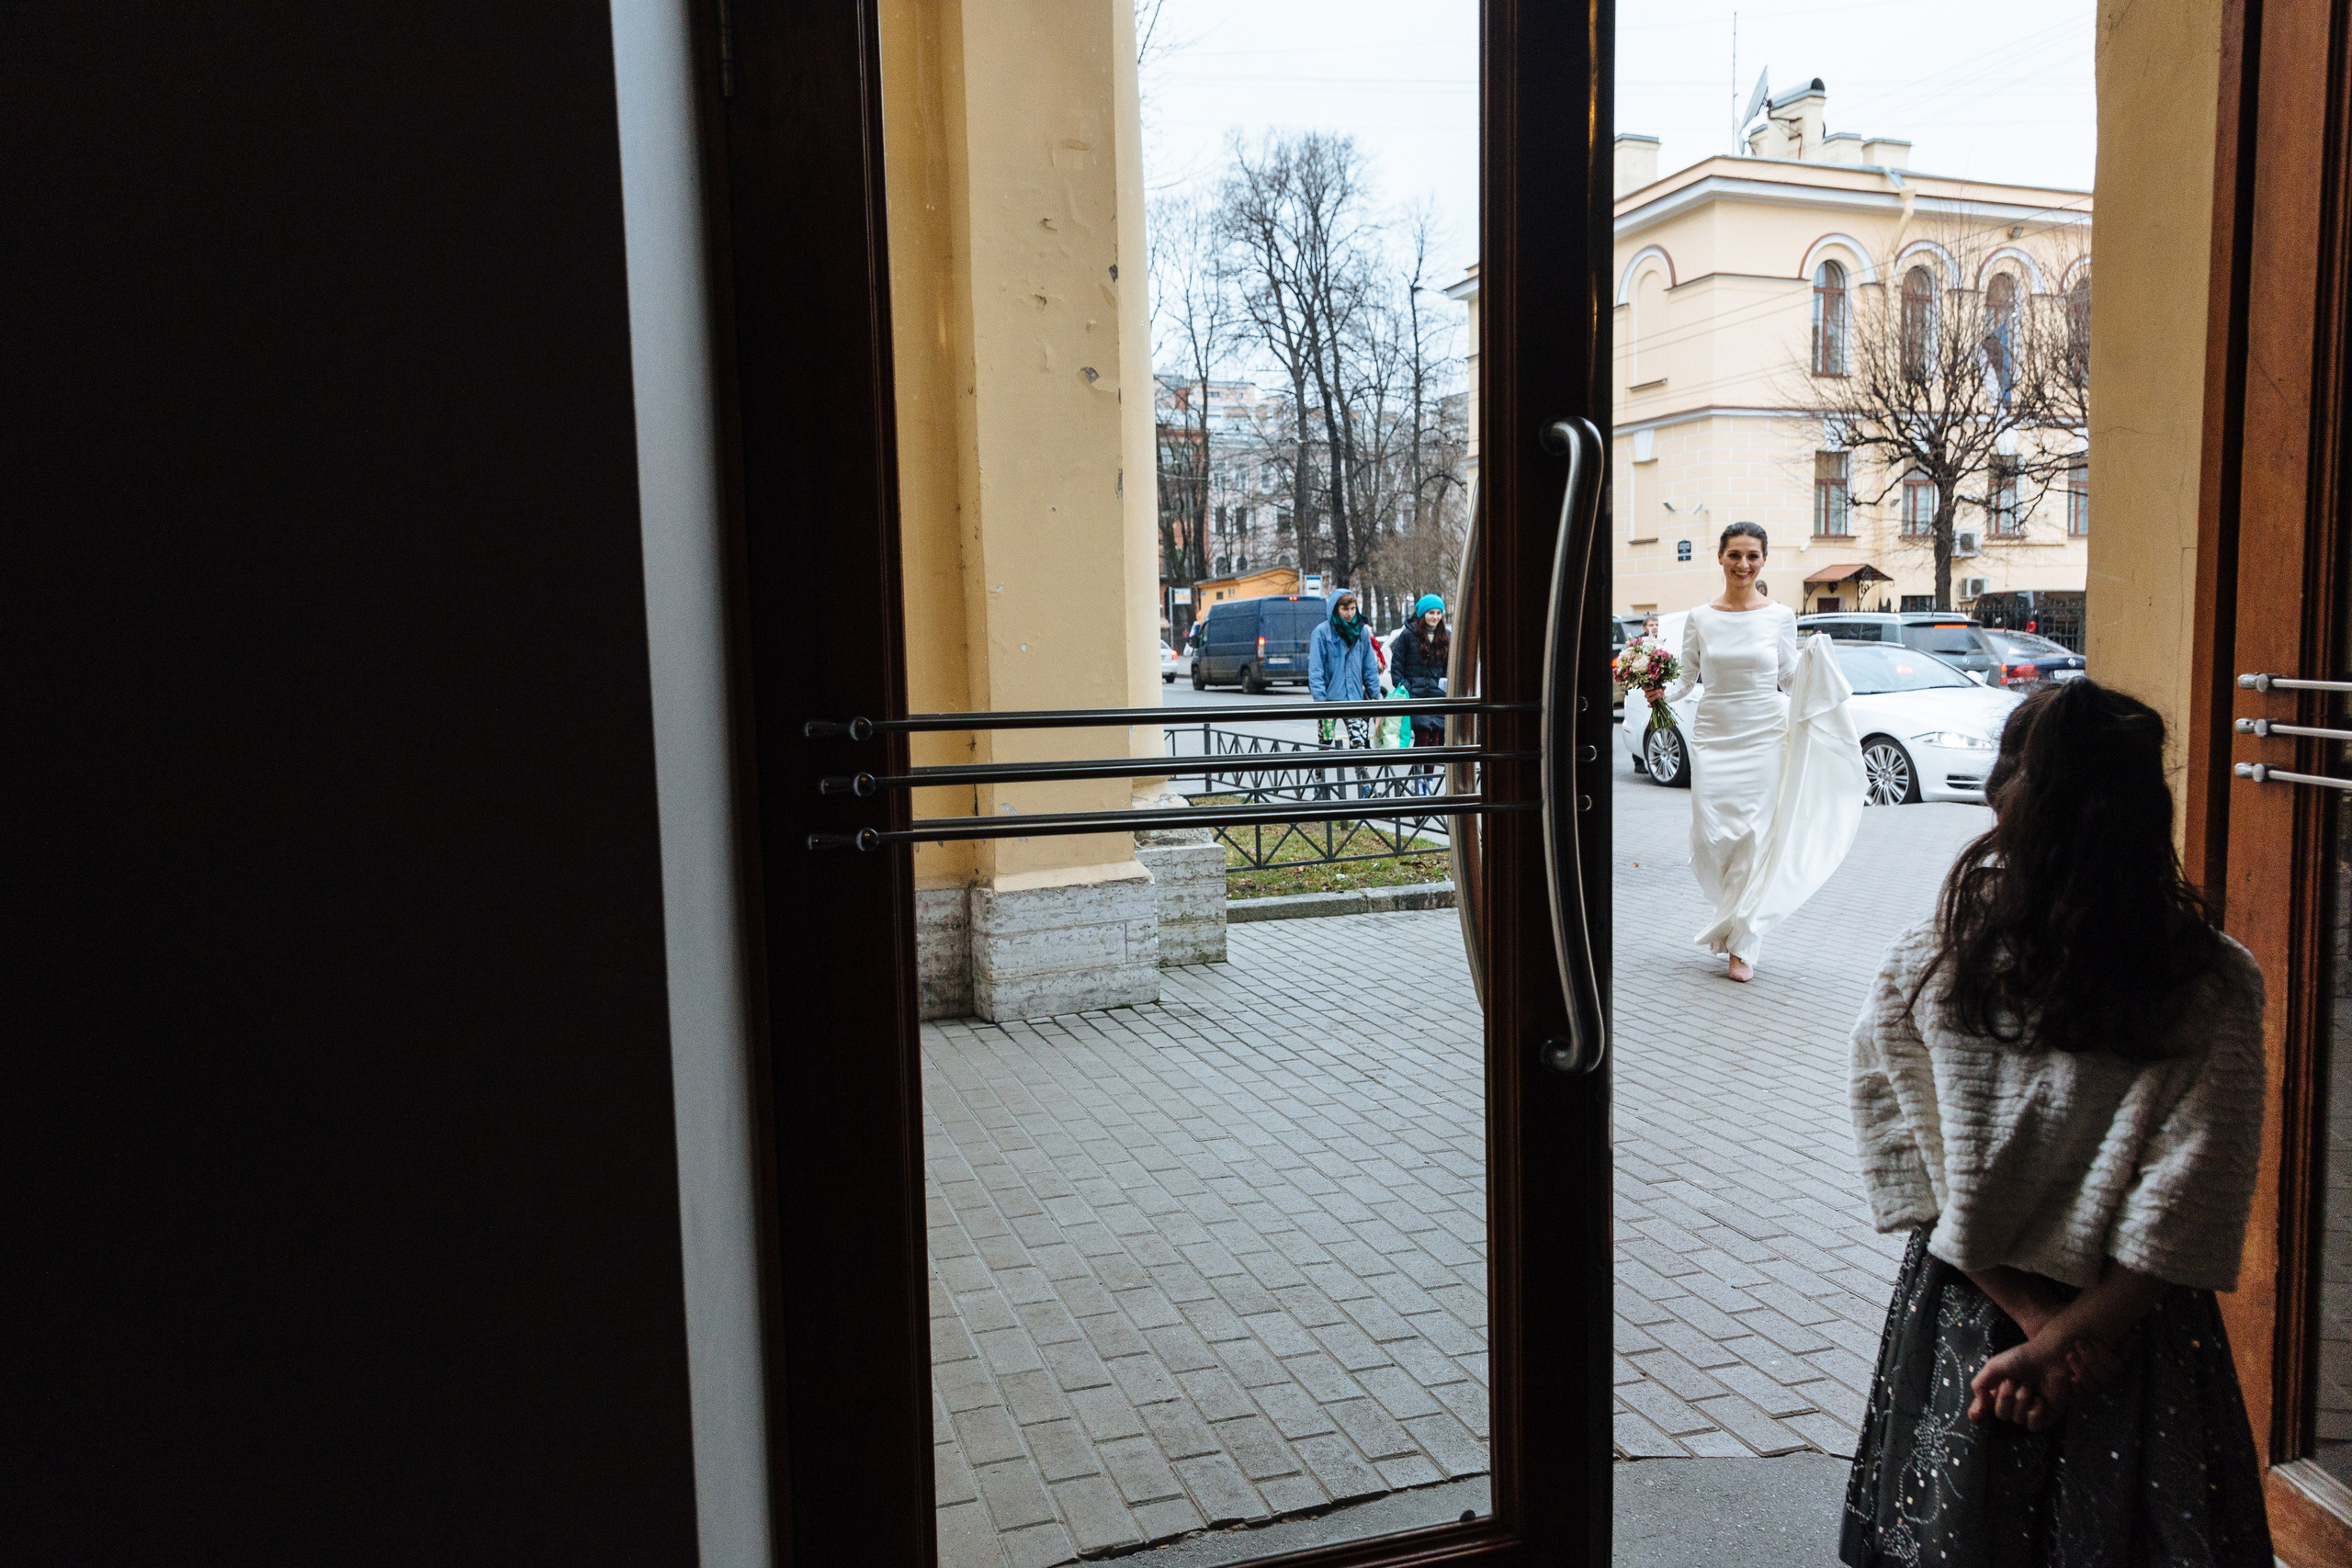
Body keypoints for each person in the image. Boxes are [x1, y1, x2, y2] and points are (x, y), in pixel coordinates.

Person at [1842, 680, 2271, 1567]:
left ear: (2007, 799)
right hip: (2136, 1333)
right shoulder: (2213, 978)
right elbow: (2192, 1197)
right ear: (2147, 808)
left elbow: (1905, 1158)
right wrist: (2076, 1338)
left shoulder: (1931, 960)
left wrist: (2036, 1326)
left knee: (1956, 1533)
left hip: (1971, 1303)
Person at [1659, 522, 1862, 981]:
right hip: (1714, 736)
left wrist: (1815, 668)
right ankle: (1730, 918)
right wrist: (1657, 692)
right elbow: (1688, 679)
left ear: (1764, 560)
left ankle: (1744, 944)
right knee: (1716, 839)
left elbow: (1787, 676)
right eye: (1735, 555)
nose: (1743, 565)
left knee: (1753, 838)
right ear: (1720, 558)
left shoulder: (1780, 616)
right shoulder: (1700, 617)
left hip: (1764, 734)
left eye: (1752, 556)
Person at [1308, 590, 1381, 799]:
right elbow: (1316, 670)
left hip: (1354, 698)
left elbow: (1369, 666)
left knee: (1358, 744)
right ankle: (1319, 783)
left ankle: (1365, 786)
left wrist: (1375, 696)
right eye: (1344, 609)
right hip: (1330, 700)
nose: (1349, 614)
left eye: (1352, 609)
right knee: (1325, 742)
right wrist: (1320, 700)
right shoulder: (1322, 633)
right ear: (1335, 609)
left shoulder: (1361, 632)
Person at [1390, 593, 1451, 793]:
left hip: (1437, 693)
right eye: (1431, 612)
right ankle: (1420, 779)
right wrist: (1404, 686)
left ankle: (1428, 779)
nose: (1435, 617)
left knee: (1436, 737)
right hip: (1415, 693)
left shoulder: (1446, 636)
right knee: (1423, 735)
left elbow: (1450, 666)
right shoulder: (1408, 636)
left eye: (1438, 613)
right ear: (1422, 614)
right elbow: (1397, 665)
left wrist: (1446, 684)